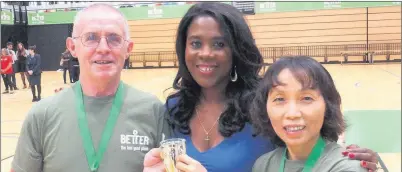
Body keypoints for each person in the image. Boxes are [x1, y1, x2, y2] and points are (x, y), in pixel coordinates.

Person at [143, 2, 379, 172]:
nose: (205, 53)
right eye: (195, 43)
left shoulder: (265, 103)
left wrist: (354, 159)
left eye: (219, 44)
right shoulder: (174, 108)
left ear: (236, 50)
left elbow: (316, 149)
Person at [11, 3, 171, 172]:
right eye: (91, 37)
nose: (103, 48)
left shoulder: (154, 111)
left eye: (114, 38)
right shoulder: (41, 116)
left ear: (128, 48)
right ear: (72, 47)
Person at [251, 56, 370, 172]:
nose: (292, 114)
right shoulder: (263, 165)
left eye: (307, 98)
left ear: (327, 106)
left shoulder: (346, 167)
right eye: (280, 99)